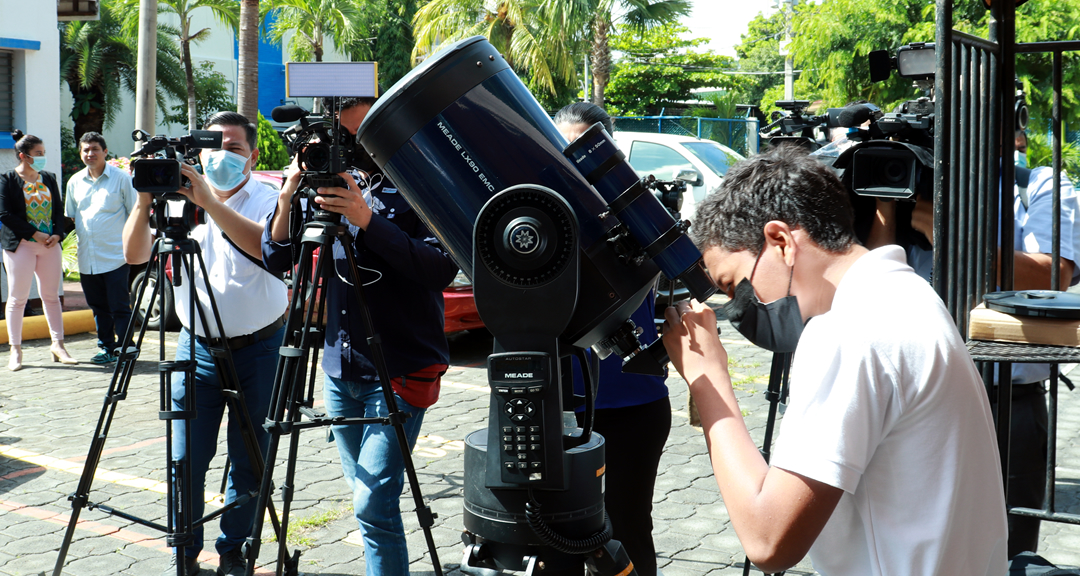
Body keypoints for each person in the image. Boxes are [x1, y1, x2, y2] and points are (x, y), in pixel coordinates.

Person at [662, 145, 1008, 575]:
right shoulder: (908, 295)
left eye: (734, 285)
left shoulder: (847, 333)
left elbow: (768, 541)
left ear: (781, 241)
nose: (737, 306)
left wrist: (706, 378)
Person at [263, 96, 458, 576]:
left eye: (364, 138)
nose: (354, 150)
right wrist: (288, 195)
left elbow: (439, 267)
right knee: (369, 500)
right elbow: (277, 259)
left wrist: (369, 221)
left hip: (400, 365)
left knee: (372, 502)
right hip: (339, 367)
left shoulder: (420, 183)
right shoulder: (320, 188)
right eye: (345, 139)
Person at [896, 130, 1080, 558]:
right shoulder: (904, 182)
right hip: (910, 397)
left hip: (1007, 402)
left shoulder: (1038, 184)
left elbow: (1051, 276)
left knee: (1008, 552)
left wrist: (947, 232)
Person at [123, 111, 287, 576]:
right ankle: (185, 550)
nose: (223, 156)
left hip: (260, 348)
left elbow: (266, 250)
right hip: (194, 350)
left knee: (250, 456)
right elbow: (135, 256)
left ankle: (234, 549)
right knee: (184, 458)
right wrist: (143, 203)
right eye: (215, 146)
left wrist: (209, 200)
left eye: (235, 148)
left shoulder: (269, 197)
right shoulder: (177, 197)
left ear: (253, 156)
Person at [554, 101, 671, 576]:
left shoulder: (636, 212)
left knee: (627, 528)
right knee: (557, 535)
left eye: (581, 150)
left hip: (633, 404)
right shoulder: (546, 210)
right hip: (561, 404)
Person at [0, 129, 77, 371]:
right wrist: (33, 233)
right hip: (20, 246)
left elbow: (57, 209)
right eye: (38, 153)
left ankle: (58, 345)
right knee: (18, 298)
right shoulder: (7, 180)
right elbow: (4, 214)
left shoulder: (49, 177)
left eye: (43, 153)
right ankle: (16, 350)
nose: (42, 157)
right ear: (23, 156)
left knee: (51, 296)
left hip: (49, 246)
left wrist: (57, 233)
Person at [65, 131, 137, 365]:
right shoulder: (74, 181)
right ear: (81, 153)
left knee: (119, 306)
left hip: (116, 255)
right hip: (88, 258)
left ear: (105, 151)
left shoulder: (121, 178)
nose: (90, 153)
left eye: (95, 148)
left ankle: (126, 349)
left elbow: (135, 213)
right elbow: (74, 218)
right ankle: (106, 347)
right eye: (86, 149)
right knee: (98, 307)